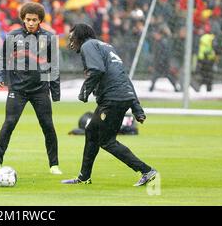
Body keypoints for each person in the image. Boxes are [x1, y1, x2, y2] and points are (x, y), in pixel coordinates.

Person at [62, 23, 157, 186]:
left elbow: (96, 70)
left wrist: (84, 91)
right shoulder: (106, 47)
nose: (71, 43)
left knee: (107, 141)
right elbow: (124, 78)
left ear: (81, 37)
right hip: (120, 96)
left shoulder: (88, 45)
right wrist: (137, 108)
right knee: (91, 130)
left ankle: (146, 170)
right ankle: (84, 177)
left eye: (72, 39)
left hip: (112, 99)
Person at [0, 2, 62, 175]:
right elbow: (2, 59)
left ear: (40, 21)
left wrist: (55, 92)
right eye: (28, 19)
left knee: (48, 126)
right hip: (18, 89)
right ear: (23, 18)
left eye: (34, 20)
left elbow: (54, 66)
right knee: (9, 124)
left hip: (40, 90)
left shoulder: (49, 38)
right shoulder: (13, 36)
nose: (30, 23)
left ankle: (54, 165)